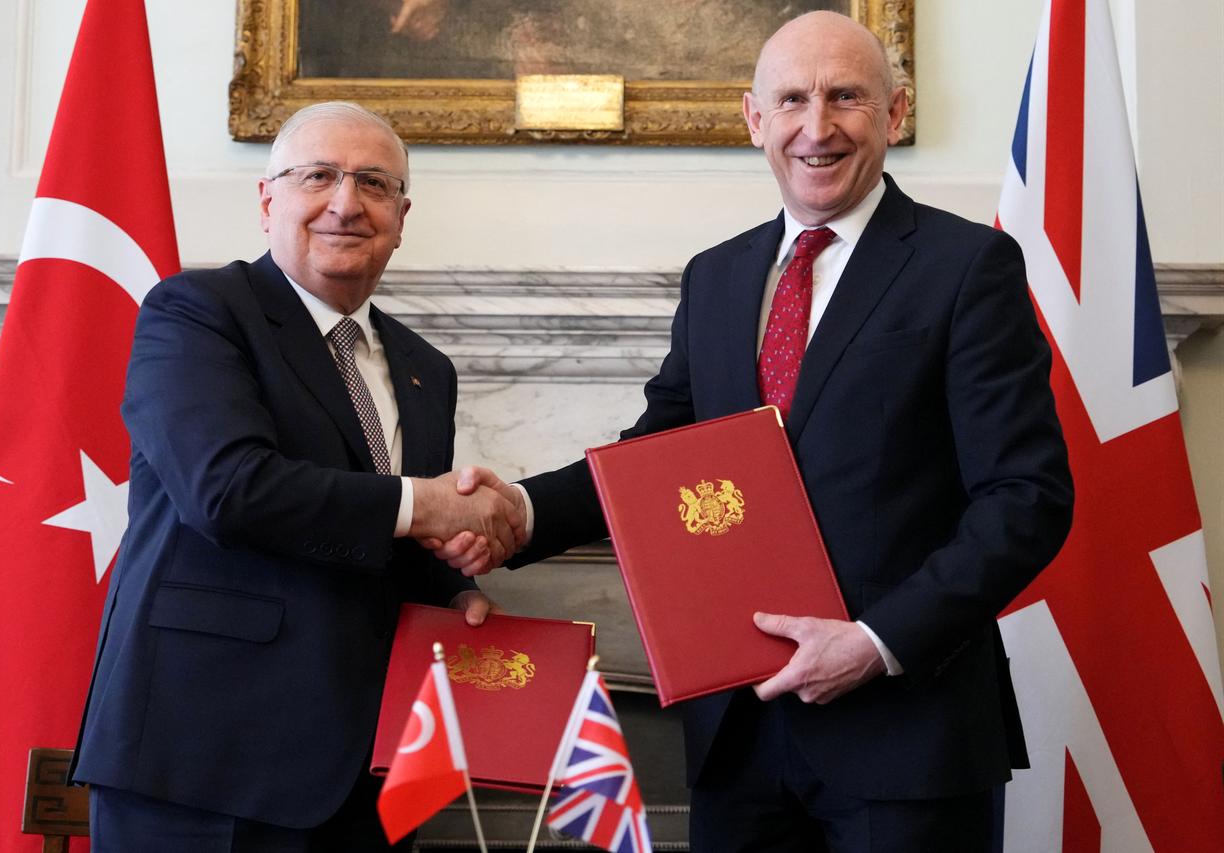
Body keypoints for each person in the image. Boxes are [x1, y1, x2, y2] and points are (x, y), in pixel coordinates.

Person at [434, 11, 1074, 852]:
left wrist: (878, 643)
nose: (819, 126)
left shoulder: (967, 267)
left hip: (907, 733)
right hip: (740, 733)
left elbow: (1025, 499)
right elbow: (653, 461)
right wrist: (518, 510)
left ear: (895, 112)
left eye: (847, 96)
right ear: (753, 119)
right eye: (794, 99)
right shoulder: (718, 277)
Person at [69, 102, 523, 852]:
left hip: (367, 773)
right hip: (204, 764)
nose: (346, 203)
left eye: (374, 184)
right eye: (319, 176)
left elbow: (382, 535)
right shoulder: (197, 312)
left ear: (401, 217)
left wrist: (456, 584)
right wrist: (426, 505)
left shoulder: (424, 370)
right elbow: (228, 489)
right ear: (268, 200)